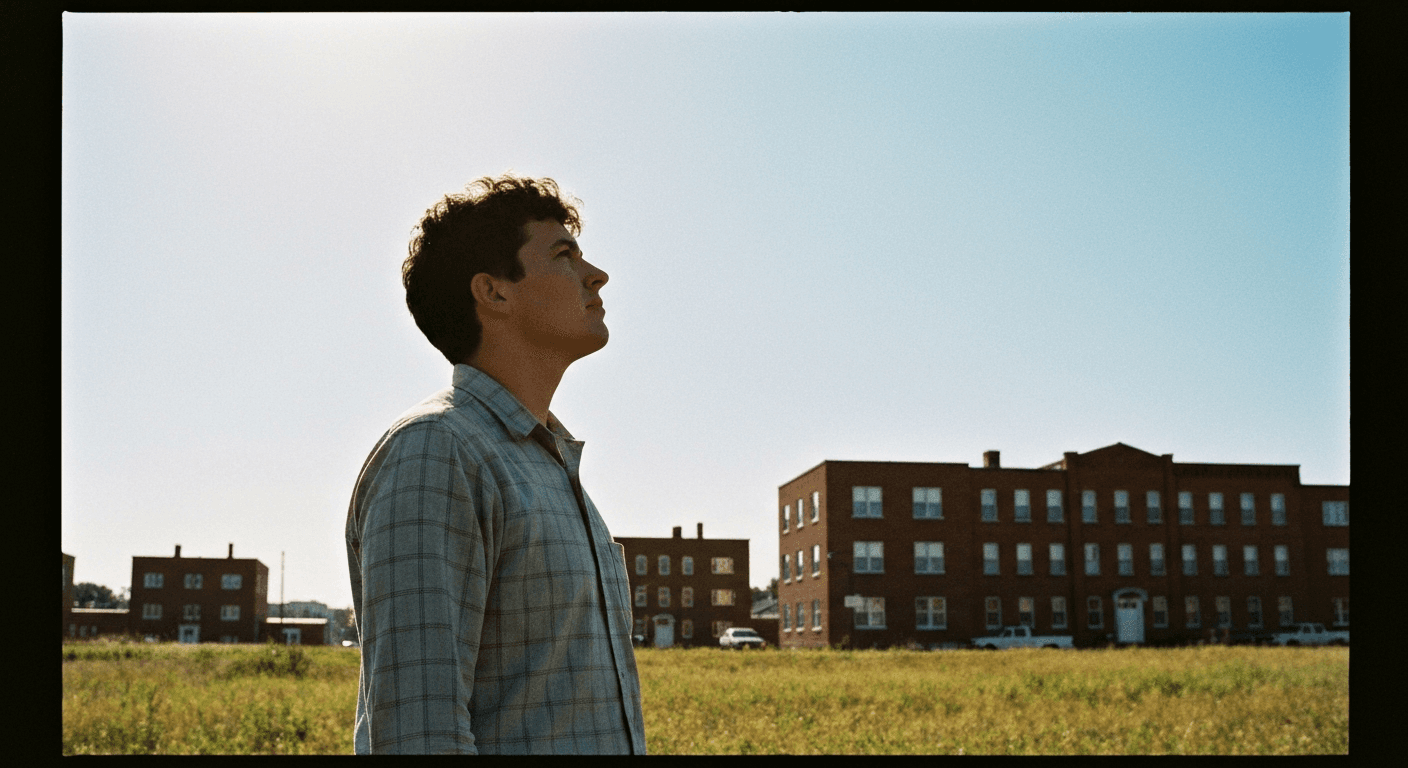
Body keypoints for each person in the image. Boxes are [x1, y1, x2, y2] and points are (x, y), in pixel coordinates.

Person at [345, 175, 646, 754]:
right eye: (564, 254)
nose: (597, 275)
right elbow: (419, 734)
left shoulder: (550, 463)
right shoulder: (436, 452)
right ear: (494, 292)